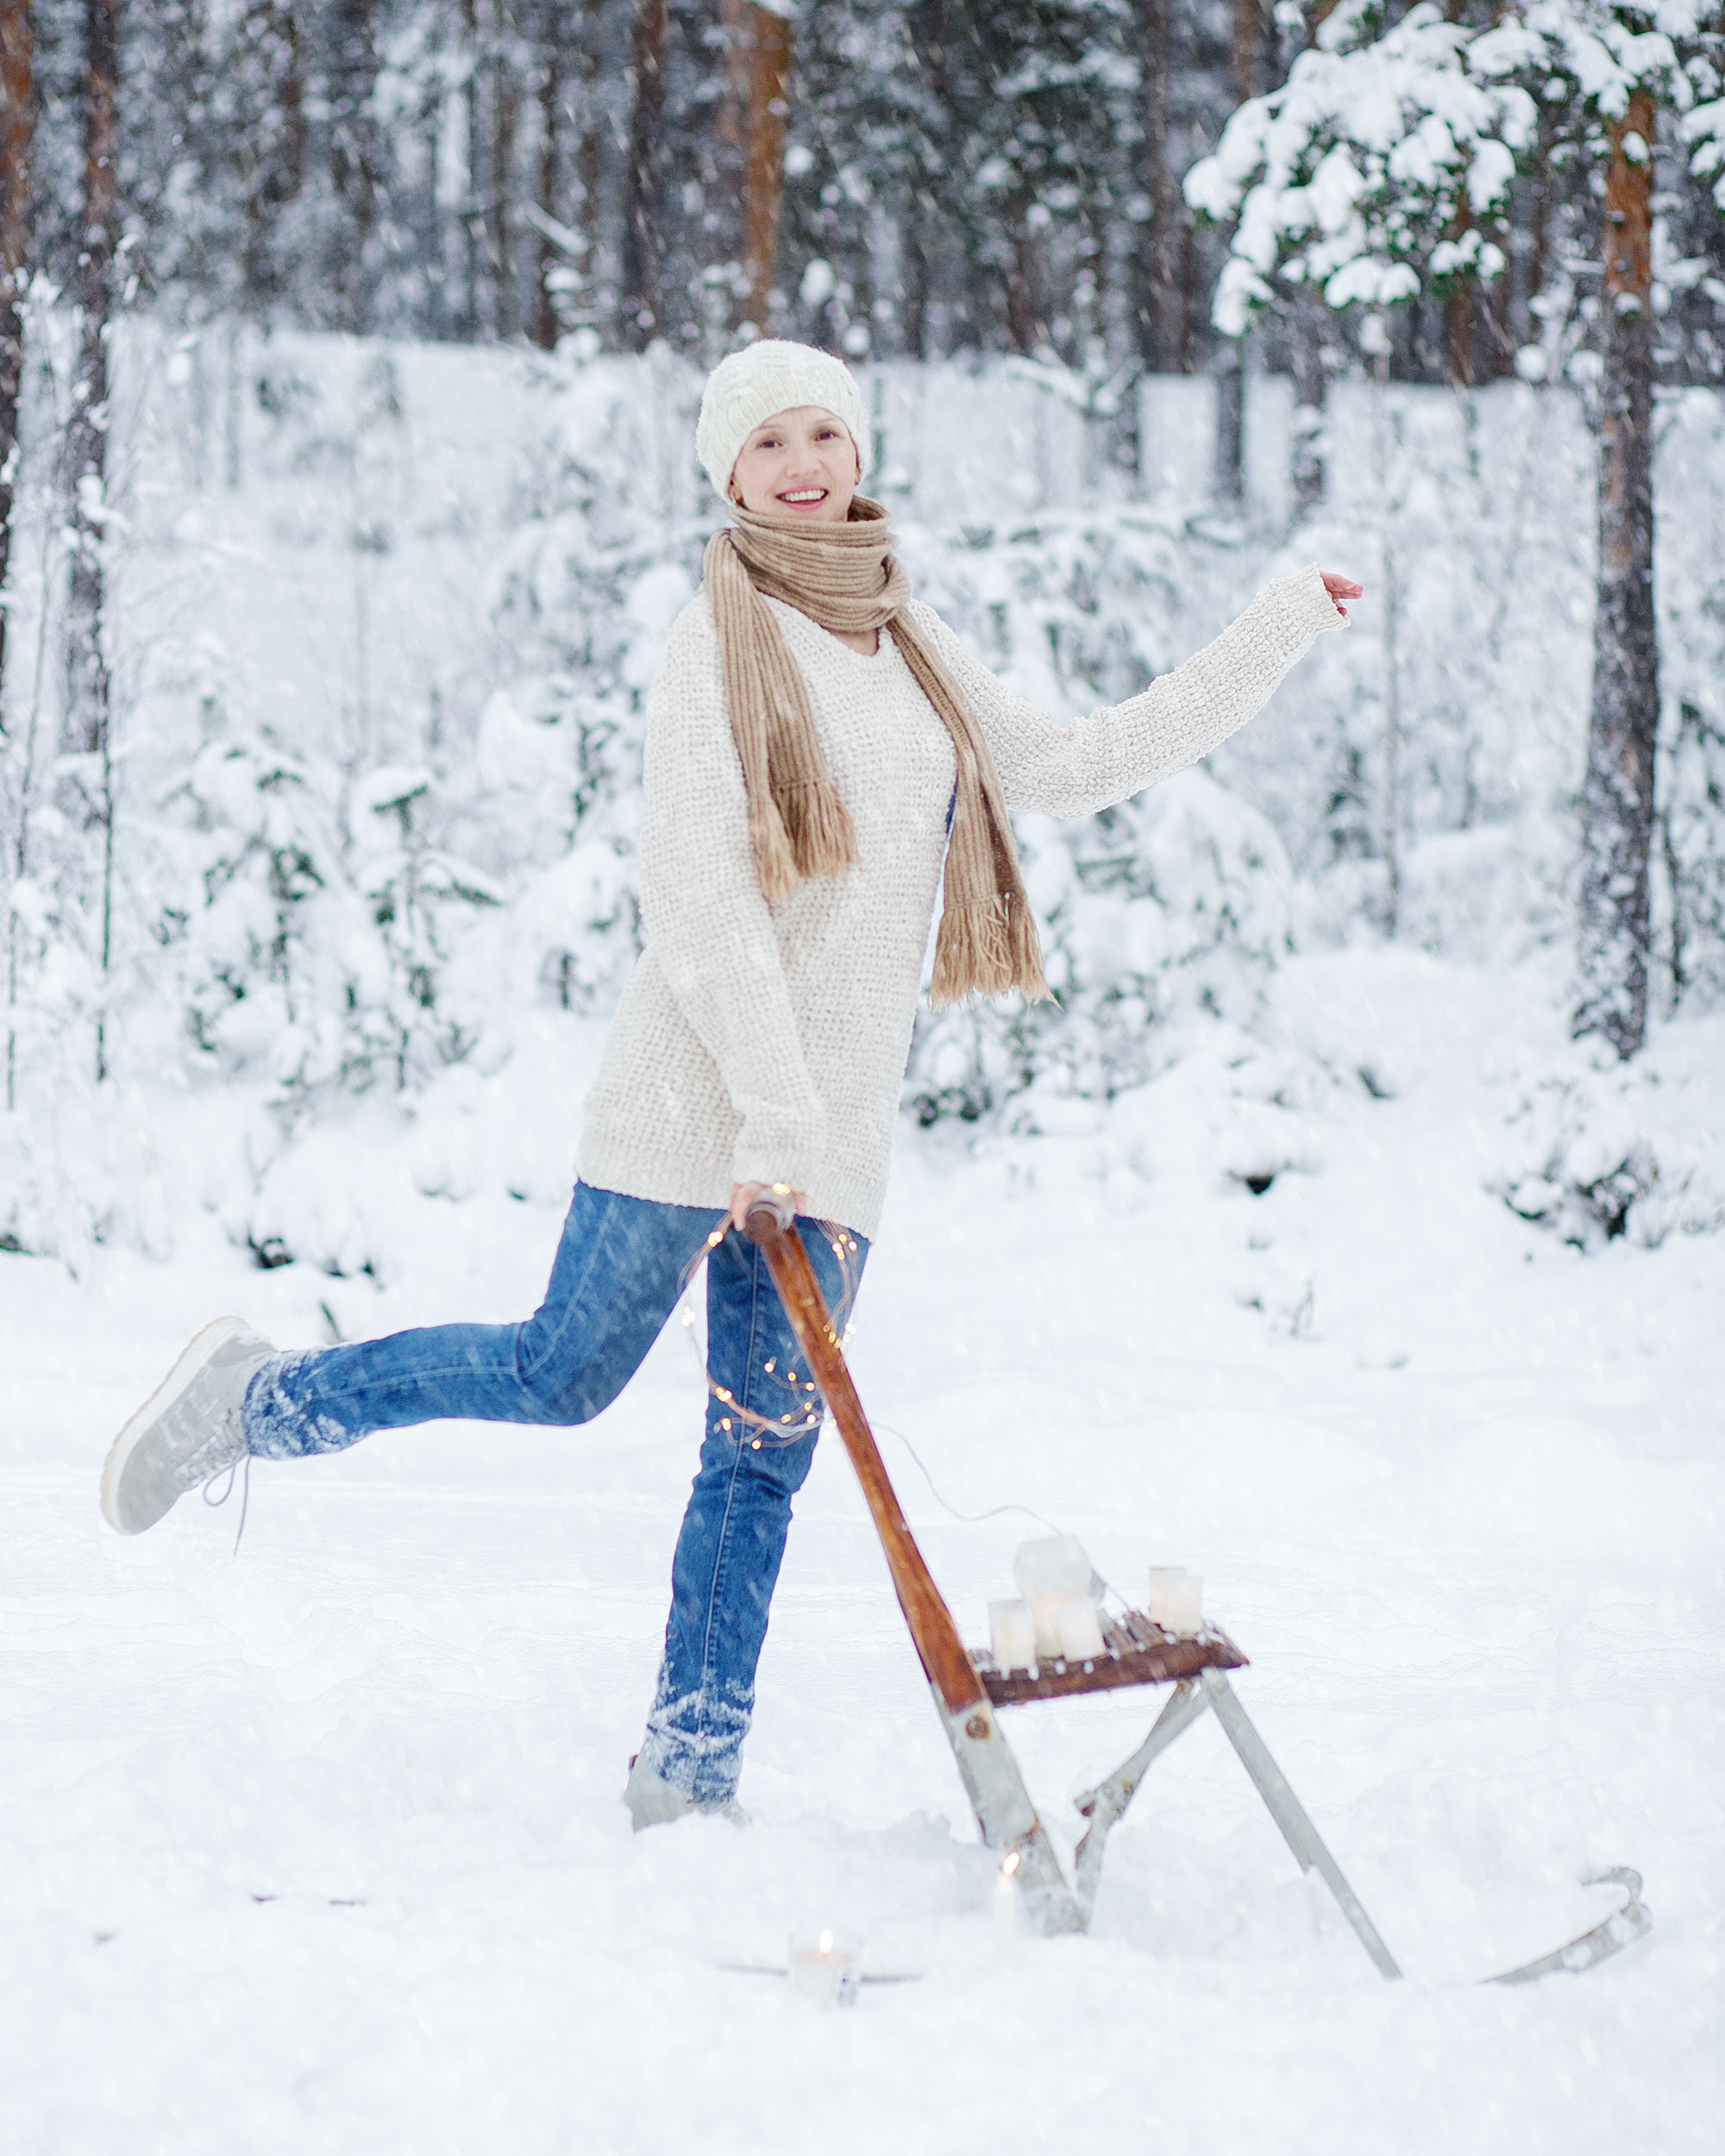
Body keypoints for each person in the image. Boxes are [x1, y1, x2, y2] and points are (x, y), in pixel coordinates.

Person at [99, 341, 1360, 1829]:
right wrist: (768, 1116)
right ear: (730, 474)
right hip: (697, 1104)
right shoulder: (713, 641)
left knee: (756, 1462)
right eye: (771, 442)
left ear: (861, 452)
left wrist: (1275, 629)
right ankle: (260, 1401)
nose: (805, 461)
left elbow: (1078, 761)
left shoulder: (912, 640)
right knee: (556, 1374)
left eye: (827, 430)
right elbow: (701, 905)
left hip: (831, 1134)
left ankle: (687, 1780)